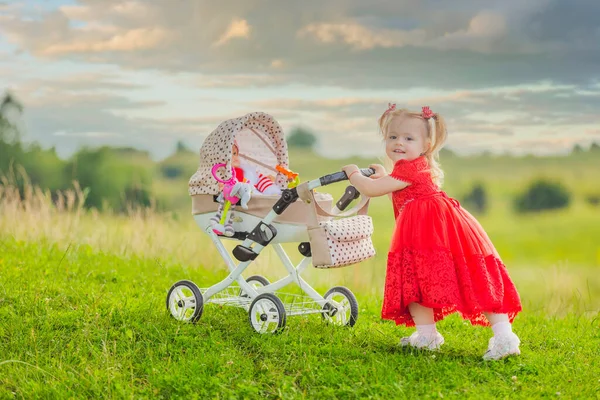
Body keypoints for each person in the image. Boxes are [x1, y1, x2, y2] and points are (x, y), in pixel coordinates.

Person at [342, 104, 522, 360]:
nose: (398, 143)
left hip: (430, 232)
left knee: (455, 277)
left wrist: (353, 174)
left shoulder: (409, 169)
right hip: (434, 230)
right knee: (422, 279)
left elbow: (372, 190)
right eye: (392, 137)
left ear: (426, 144)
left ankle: (503, 337)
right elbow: (388, 185)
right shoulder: (411, 167)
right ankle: (428, 336)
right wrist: (380, 174)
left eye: (408, 138)